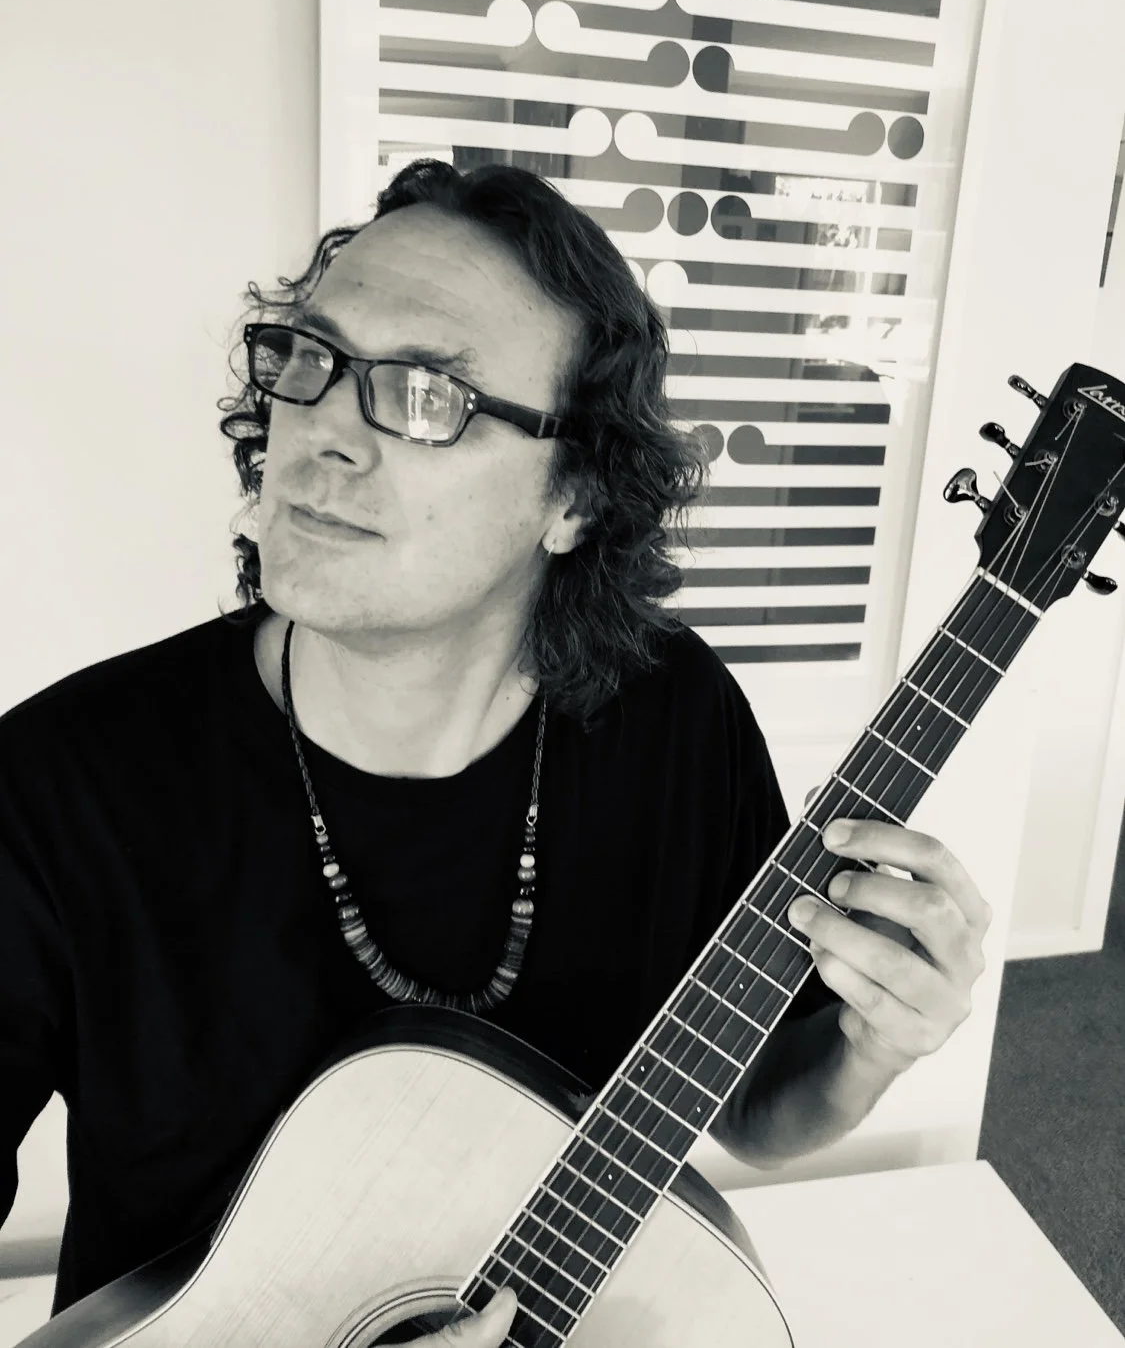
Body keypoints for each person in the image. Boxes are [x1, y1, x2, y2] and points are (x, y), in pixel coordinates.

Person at [0, 160, 991, 1345]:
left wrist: (872, 1042)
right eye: (311, 358)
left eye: (428, 396)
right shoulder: (57, 785)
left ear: (573, 497)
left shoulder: (673, 720)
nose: (321, 434)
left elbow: (749, 1110)